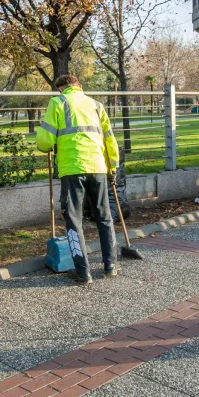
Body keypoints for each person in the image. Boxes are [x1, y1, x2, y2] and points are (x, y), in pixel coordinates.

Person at [35, 75, 120, 284]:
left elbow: (45, 141)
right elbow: (110, 138)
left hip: (72, 169)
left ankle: (83, 272)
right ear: (79, 86)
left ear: (61, 89)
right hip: (99, 167)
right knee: (104, 217)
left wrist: (46, 145)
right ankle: (110, 266)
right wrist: (113, 167)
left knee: (74, 220)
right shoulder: (97, 105)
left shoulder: (58, 102)